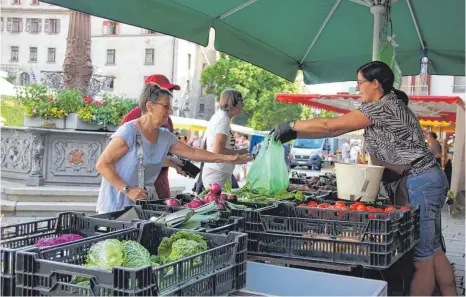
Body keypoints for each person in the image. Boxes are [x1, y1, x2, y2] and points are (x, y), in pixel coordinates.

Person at [271, 61, 456, 296]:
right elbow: (336, 130)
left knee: (423, 258)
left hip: (419, 180)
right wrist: (294, 133)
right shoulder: (387, 106)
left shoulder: (383, 106)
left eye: (360, 82)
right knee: (434, 249)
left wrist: (292, 125)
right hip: (424, 178)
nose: (358, 88)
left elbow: (331, 125)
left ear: (376, 84)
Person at [96, 83, 251, 214]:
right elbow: (102, 164)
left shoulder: (165, 136)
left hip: (139, 205)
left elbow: (193, 153)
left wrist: (230, 158)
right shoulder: (129, 131)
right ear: (150, 106)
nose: (170, 111)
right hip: (115, 205)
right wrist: (127, 189)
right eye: (166, 106)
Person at [120, 74, 182, 199]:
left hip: (160, 184)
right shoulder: (135, 117)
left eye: (169, 91)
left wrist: (176, 162)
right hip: (138, 189)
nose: (169, 94)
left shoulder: (166, 119)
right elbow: (126, 156)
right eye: (165, 91)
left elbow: (169, 147)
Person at [202, 89, 249, 188]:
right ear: (234, 103)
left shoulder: (222, 117)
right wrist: (239, 152)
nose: (243, 105)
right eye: (241, 102)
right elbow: (218, 151)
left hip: (219, 172)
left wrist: (237, 157)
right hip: (217, 173)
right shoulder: (223, 119)